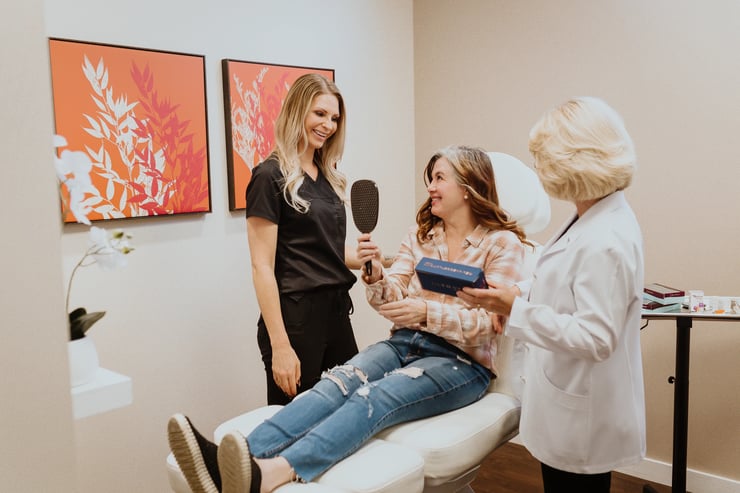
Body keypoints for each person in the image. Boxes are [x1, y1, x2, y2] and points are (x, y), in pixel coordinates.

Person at [168, 145, 528, 493]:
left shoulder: (501, 244)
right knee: (335, 382)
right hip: (404, 341)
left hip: (460, 362)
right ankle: (235, 460)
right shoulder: (421, 237)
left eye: (439, 178)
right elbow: (391, 298)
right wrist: (375, 277)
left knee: (373, 396)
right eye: (430, 179)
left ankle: (273, 473)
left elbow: (489, 322)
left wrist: (425, 312)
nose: (430, 187)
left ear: (467, 188)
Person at [459, 97, 646, 493]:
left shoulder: (606, 238)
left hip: (583, 417)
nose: (538, 169)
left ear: (574, 161)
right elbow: (562, 280)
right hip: (567, 402)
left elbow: (596, 337)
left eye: (542, 159)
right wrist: (516, 291)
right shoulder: (590, 213)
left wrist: (517, 309)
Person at [246, 73, 369, 405]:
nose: (328, 125)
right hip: (296, 320)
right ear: (297, 110)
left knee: (350, 410)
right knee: (295, 423)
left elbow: (325, 251)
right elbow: (262, 268)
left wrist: (374, 258)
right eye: (319, 114)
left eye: (334, 118)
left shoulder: (327, 176)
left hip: (336, 313)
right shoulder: (269, 177)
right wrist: (281, 346)